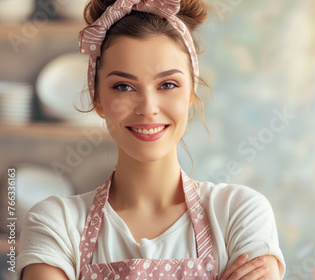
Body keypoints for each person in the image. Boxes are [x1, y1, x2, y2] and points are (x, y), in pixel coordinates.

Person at [16, 0, 286, 279]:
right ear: (97, 98)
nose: (148, 107)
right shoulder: (54, 223)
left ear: (192, 94)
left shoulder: (238, 213)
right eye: (123, 86)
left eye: (167, 85)